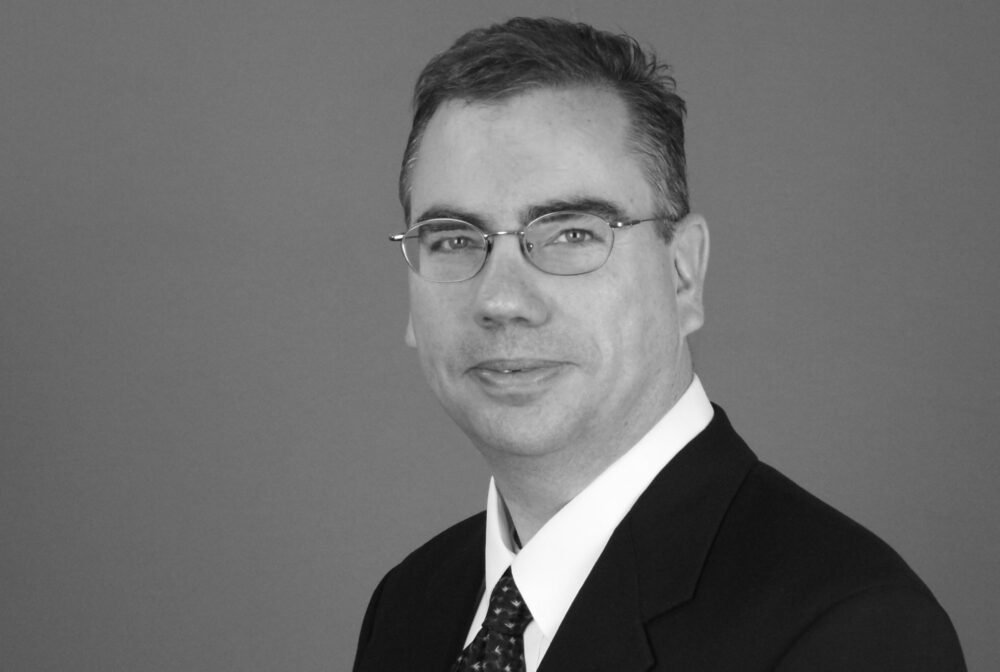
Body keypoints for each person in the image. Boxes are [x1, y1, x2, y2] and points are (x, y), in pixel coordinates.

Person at [353, 17, 966, 672]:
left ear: (683, 274)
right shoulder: (412, 605)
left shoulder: (849, 630)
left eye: (571, 234)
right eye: (452, 238)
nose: (502, 300)